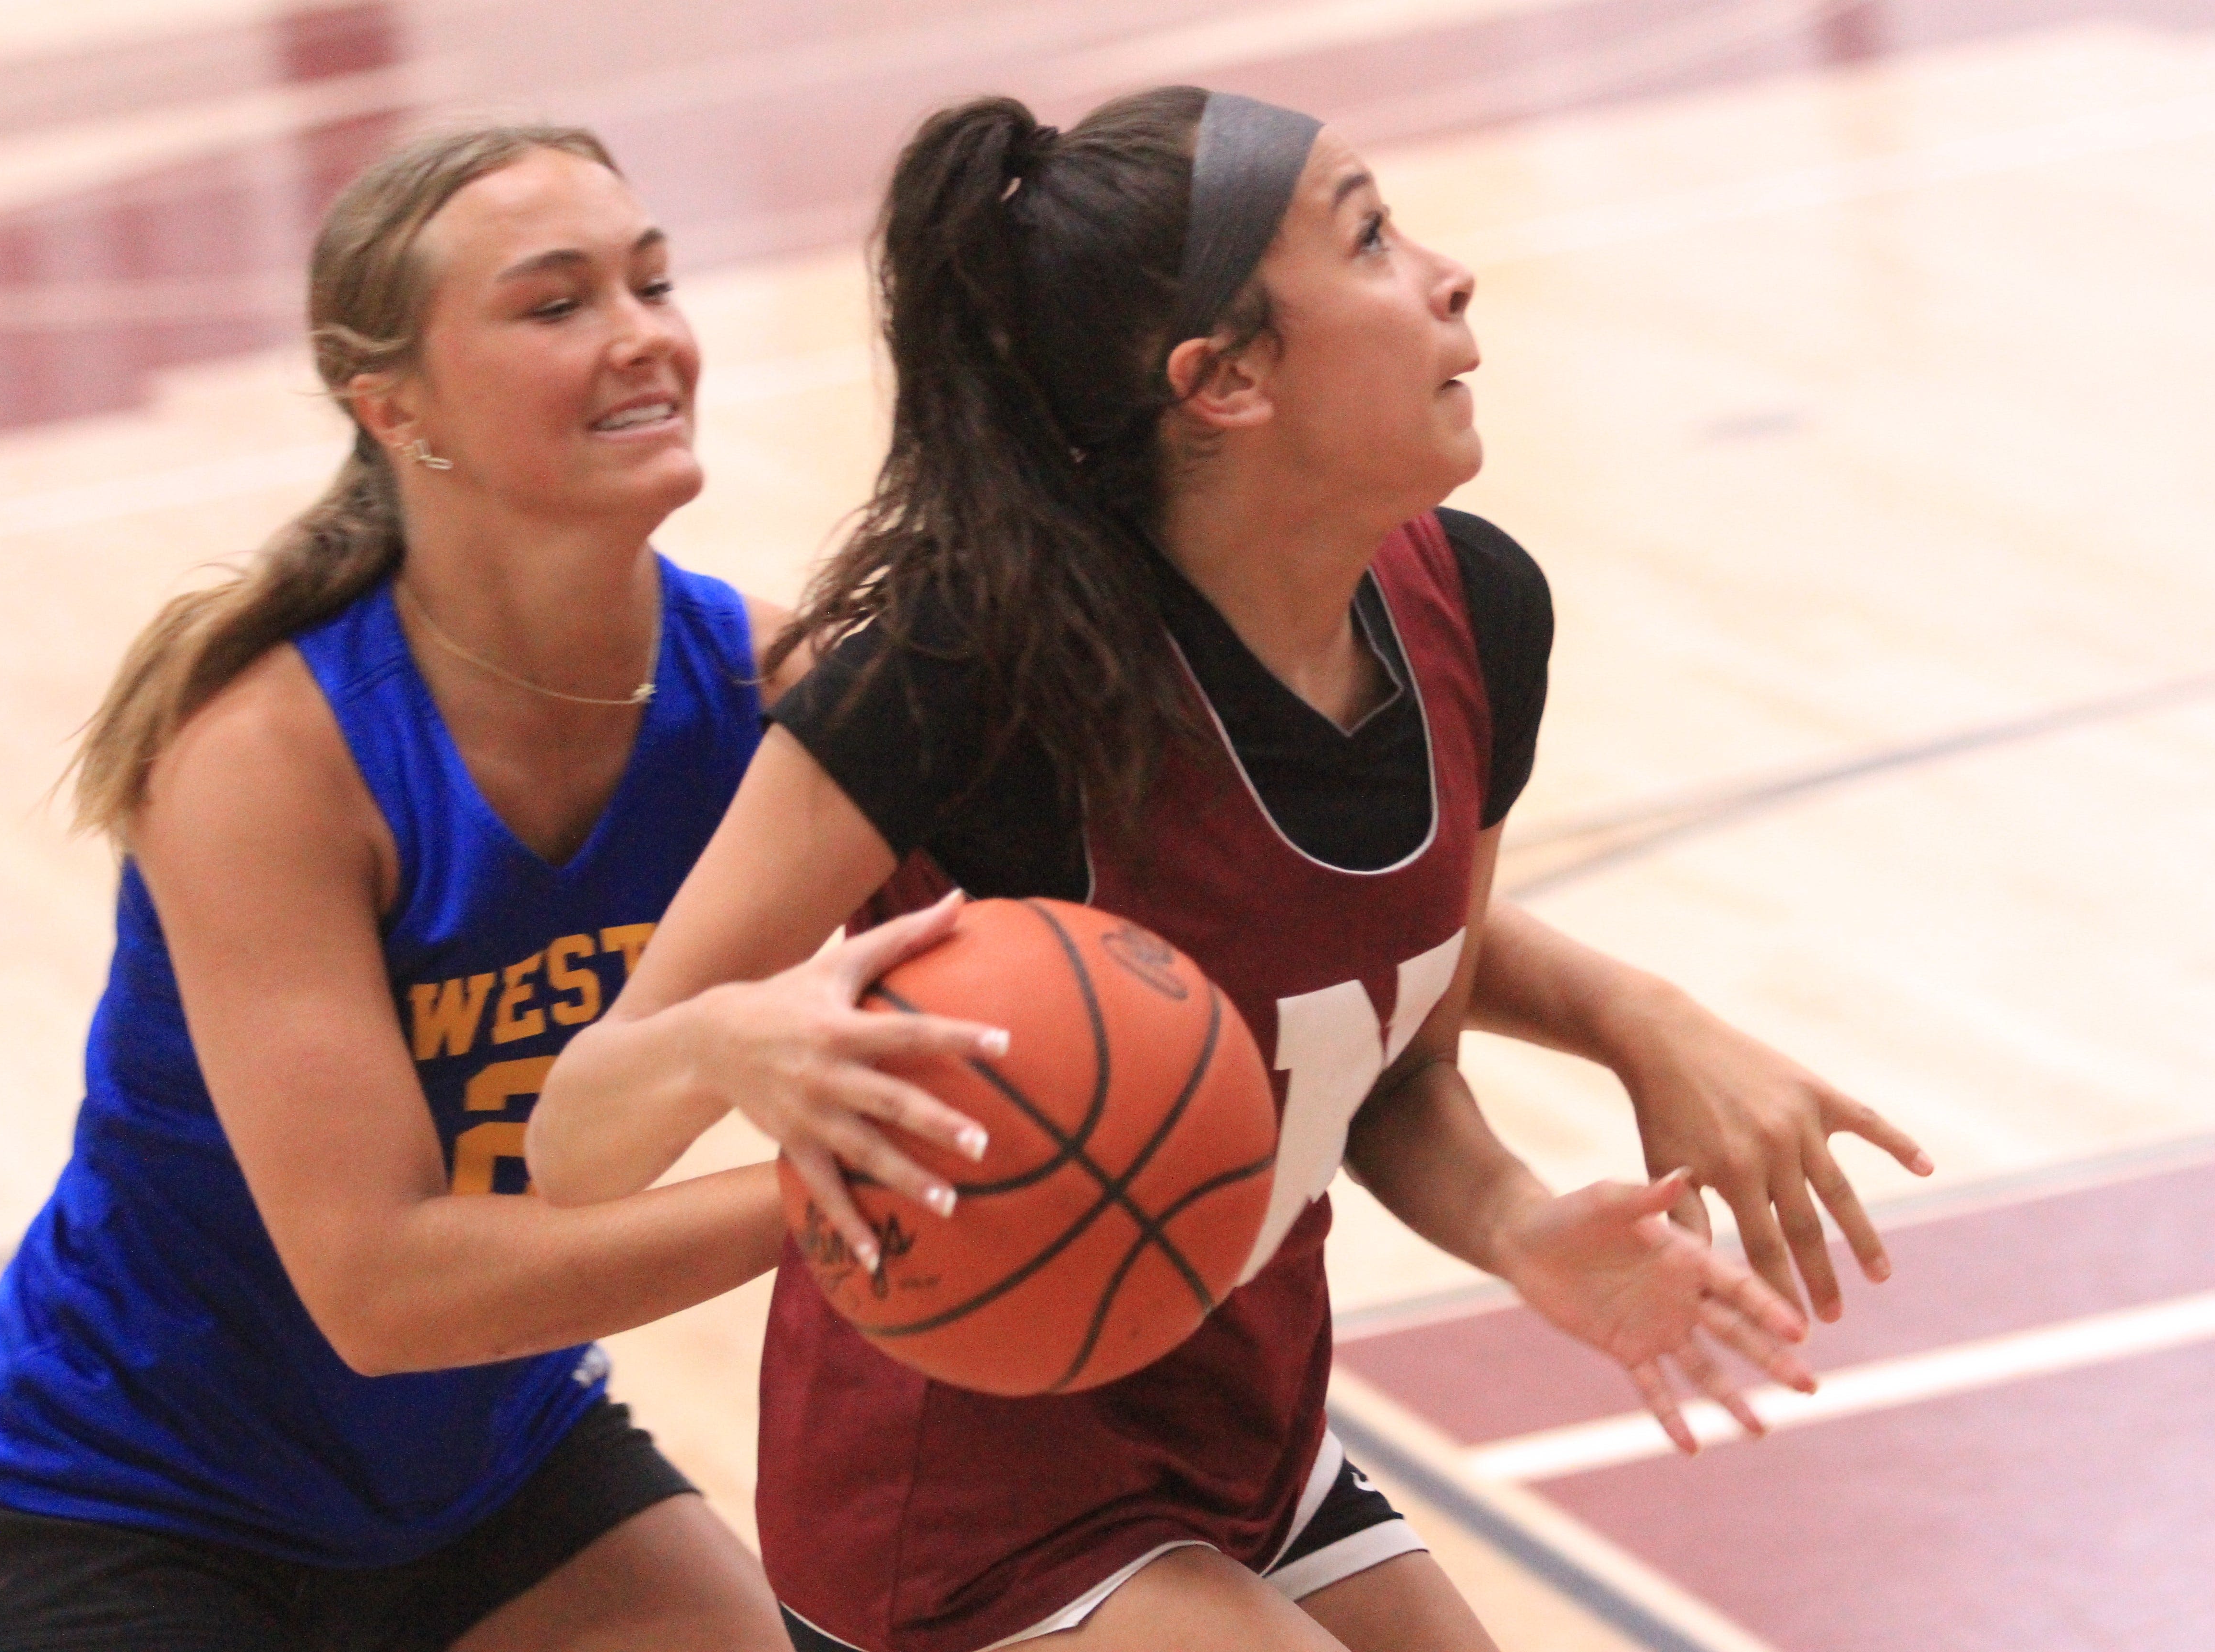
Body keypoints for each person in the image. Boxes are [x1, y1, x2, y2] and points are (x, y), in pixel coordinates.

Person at [527, 87, 1933, 1652]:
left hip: (1243, 1434)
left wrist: (1527, 1225)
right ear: (1223, 379)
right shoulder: (962, 678)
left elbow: (1385, 1065)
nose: (1449, 274)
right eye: (1373, 237)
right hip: (960, 1507)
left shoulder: (1475, 611)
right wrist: (733, 1038)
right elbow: (578, 1137)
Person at [0, 125, 993, 1652]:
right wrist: (839, 1187)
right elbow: (383, 1287)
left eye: (654, 281)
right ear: (394, 406)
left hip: (491, 1474)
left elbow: (1033, 958)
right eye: (556, 305)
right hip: (138, 1505)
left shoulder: (774, 694)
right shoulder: (267, 752)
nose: (642, 338)